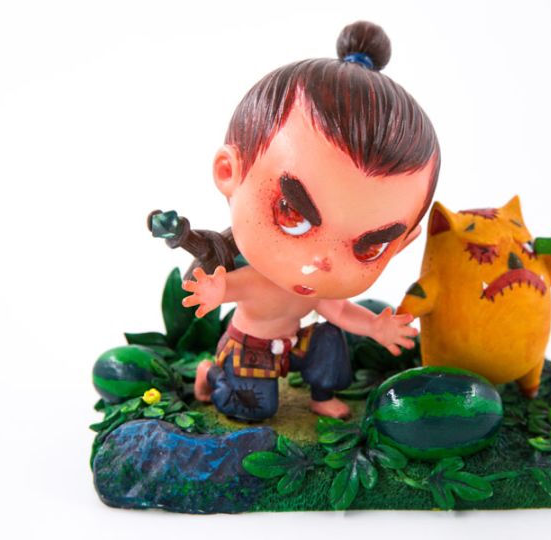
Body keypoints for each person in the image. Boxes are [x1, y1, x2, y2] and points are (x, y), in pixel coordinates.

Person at [184, 21, 441, 421]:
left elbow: (342, 313)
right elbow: (227, 288)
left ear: (402, 243)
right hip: (250, 350)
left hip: (293, 346)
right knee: (255, 409)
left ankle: (321, 395)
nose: (323, 260)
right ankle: (211, 374)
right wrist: (213, 291)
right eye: (291, 215)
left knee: (329, 337)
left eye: (369, 246)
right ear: (229, 172)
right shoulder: (256, 281)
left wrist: (376, 328)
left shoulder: (318, 287)